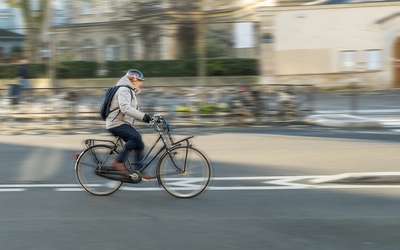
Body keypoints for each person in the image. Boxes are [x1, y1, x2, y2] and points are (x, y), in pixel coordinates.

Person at [106, 69, 153, 179]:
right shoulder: (124, 90)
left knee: (139, 144)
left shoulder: (129, 90)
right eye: (140, 81)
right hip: (116, 124)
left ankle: (139, 170)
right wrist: (144, 116)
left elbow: (131, 110)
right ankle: (118, 161)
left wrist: (150, 118)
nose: (141, 83)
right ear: (133, 79)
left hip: (121, 123)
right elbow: (125, 108)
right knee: (136, 137)